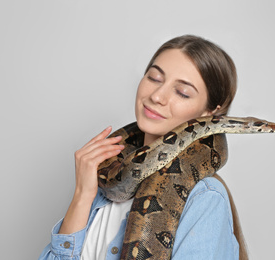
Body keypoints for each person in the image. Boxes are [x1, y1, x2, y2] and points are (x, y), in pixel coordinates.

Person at [39, 35, 248, 260]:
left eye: (182, 93)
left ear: (210, 114)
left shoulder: (204, 198)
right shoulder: (101, 184)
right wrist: (81, 196)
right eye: (154, 77)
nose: (157, 96)